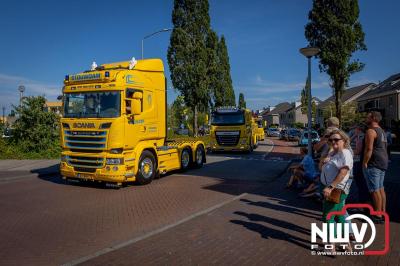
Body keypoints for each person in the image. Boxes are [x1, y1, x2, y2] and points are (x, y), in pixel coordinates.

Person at [320, 129, 353, 251]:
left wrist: (330, 187)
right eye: (331, 140)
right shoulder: (334, 153)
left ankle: (331, 246)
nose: (333, 141)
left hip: (336, 190)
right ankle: (346, 244)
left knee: (328, 216)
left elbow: (343, 172)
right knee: (339, 216)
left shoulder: (345, 153)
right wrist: (328, 155)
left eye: (336, 139)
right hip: (331, 188)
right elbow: (322, 166)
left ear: (344, 140)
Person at [363, 111, 388, 223]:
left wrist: (365, 162)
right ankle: (382, 212)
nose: (365, 118)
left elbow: (369, 149)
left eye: (367, 116)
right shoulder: (381, 130)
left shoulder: (370, 131)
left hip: (374, 162)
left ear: (373, 118)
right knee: (381, 188)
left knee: (374, 190)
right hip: (383, 161)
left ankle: (377, 216)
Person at [350, 124, 370, 204]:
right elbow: (348, 142)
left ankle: (363, 202)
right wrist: (354, 135)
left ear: (358, 128)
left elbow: (358, 151)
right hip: (357, 161)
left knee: (361, 183)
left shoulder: (360, 137)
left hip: (358, 162)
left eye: (354, 128)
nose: (353, 130)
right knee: (361, 183)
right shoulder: (357, 136)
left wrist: (349, 153)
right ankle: (364, 201)